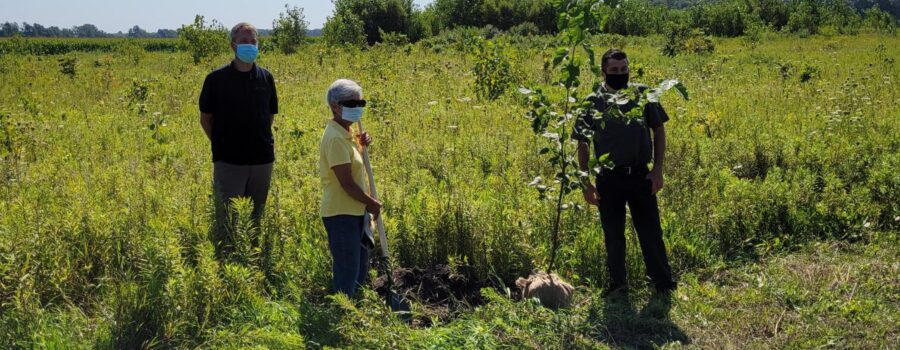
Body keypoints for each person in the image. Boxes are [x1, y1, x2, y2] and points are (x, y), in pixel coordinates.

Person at [573, 48, 677, 296]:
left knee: (651, 232)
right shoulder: (592, 101)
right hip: (608, 179)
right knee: (613, 235)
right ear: (604, 72)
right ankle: (618, 286)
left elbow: (659, 131)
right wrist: (586, 183)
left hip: (641, 175)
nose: (620, 74)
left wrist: (658, 170)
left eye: (624, 69)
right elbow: (582, 143)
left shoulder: (643, 94)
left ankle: (663, 284)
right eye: (614, 70)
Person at [199, 22, 278, 258]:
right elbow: (206, 119)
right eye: (244, 42)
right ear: (233, 44)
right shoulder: (216, 79)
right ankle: (227, 260)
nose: (249, 46)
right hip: (229, 162)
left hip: (262, 160)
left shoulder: (265, 78)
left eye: (253, 42)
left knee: (256, 215)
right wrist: (223, 144)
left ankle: (251, 257)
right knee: (228, 217)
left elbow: (270, 116)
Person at [319, 79, 379, 297]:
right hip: (341, 213)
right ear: (335, 106)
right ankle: (342, 316)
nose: (357, 109)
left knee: (361, 266)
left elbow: (353, 165)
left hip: (355, 211)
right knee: (348, 270)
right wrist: (371, 203)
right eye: (351, 104)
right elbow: (346, 184)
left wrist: (361, 146)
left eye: (360, 103)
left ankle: (358, 309)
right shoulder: (335, 138)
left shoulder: (347, 134)